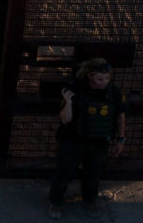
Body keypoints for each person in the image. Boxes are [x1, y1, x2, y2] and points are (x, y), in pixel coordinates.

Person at [47, 58, 127, 220]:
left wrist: (121, 140)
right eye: (100, 79)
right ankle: (55, 202)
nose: (104, 82)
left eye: (106, 79)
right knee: (65, 171)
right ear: (90, 76)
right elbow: (65, 119)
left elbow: (120, 116)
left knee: (94, 173)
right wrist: (68, 102)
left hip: (99, 141)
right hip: (73, 140)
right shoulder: (75, 89)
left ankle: (90, 201)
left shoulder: (114, 93)